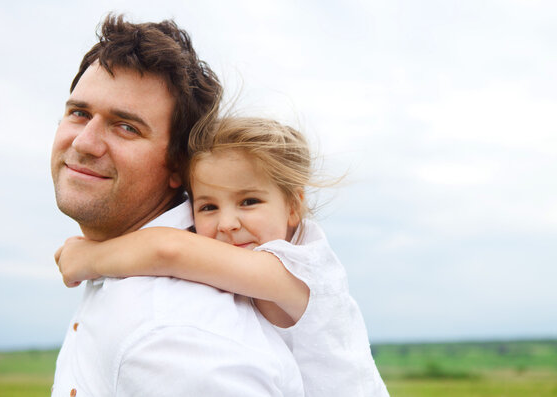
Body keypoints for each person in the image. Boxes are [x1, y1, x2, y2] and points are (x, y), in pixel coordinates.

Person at [50, 14, 305, 396]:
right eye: (79, 113)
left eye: (126, 126)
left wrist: (87, 258)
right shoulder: (135, 288)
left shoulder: (172, 337)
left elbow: (168, 251)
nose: (85, 142)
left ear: (178, 165)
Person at [55, 117, 390, 396]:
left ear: (293, 206)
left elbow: (168, 250)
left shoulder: (303, 270)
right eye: (208, 207)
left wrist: (88, 258)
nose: (227, 224)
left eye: (248, 202)